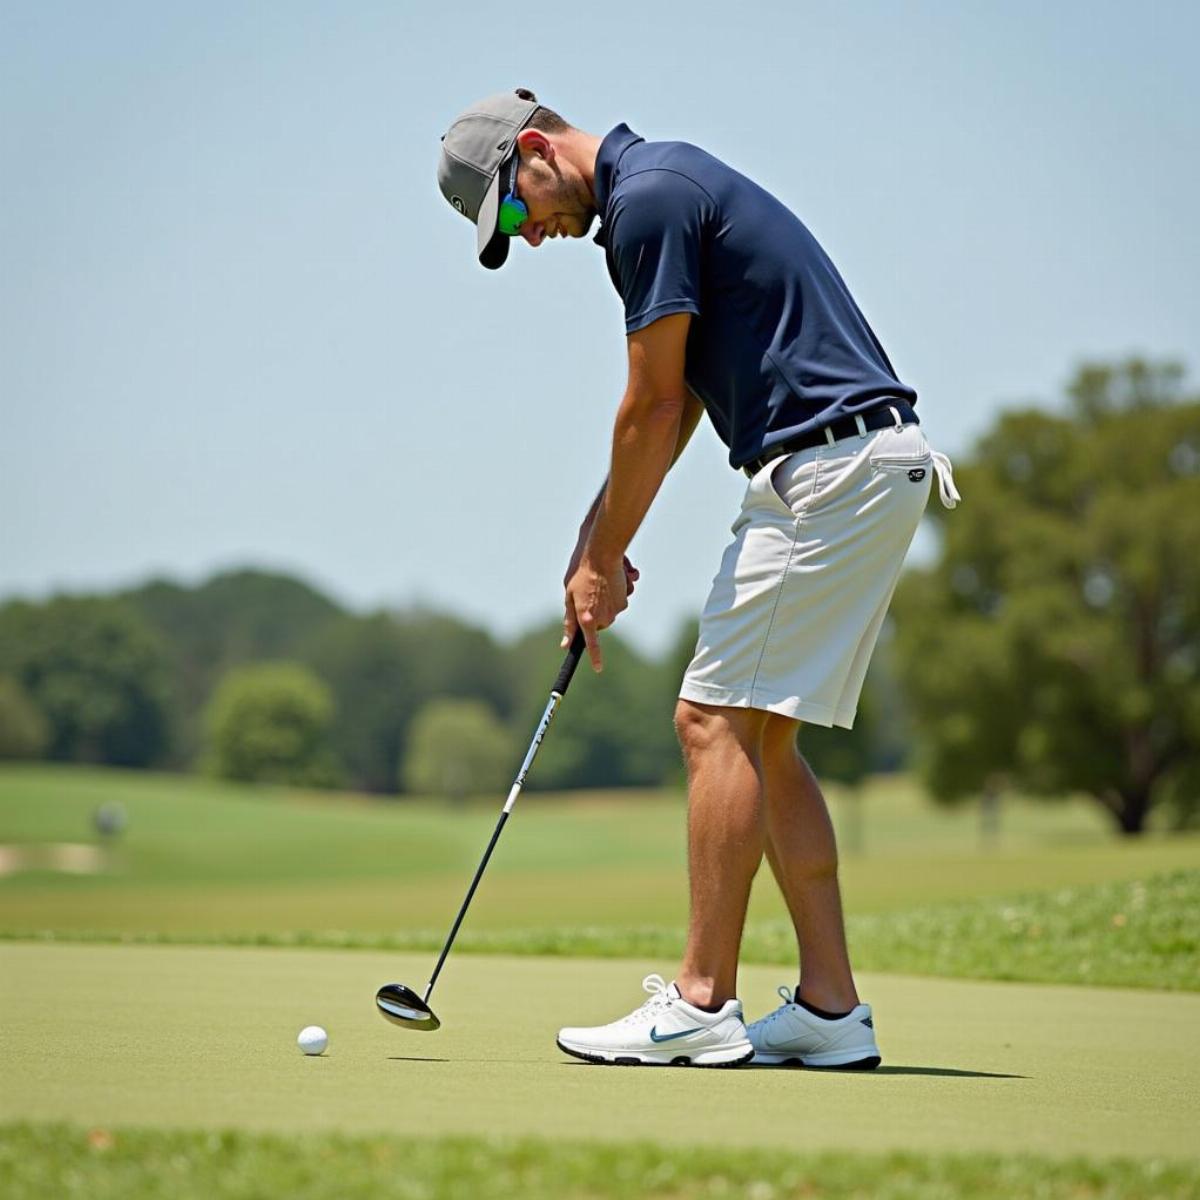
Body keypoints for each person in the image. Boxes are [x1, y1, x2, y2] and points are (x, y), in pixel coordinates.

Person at [436, 88, 958, 1068]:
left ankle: (701, 1004)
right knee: (760, 737)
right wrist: (598, 537)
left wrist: (600, 556)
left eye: (513, 208)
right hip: (856, 464)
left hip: (829, 467)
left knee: (709, 719)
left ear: (539, 150)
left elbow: (651, 404)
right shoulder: (655, 194)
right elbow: (667, 417)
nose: (528, 233)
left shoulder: (650, 201)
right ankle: (830, 1010)